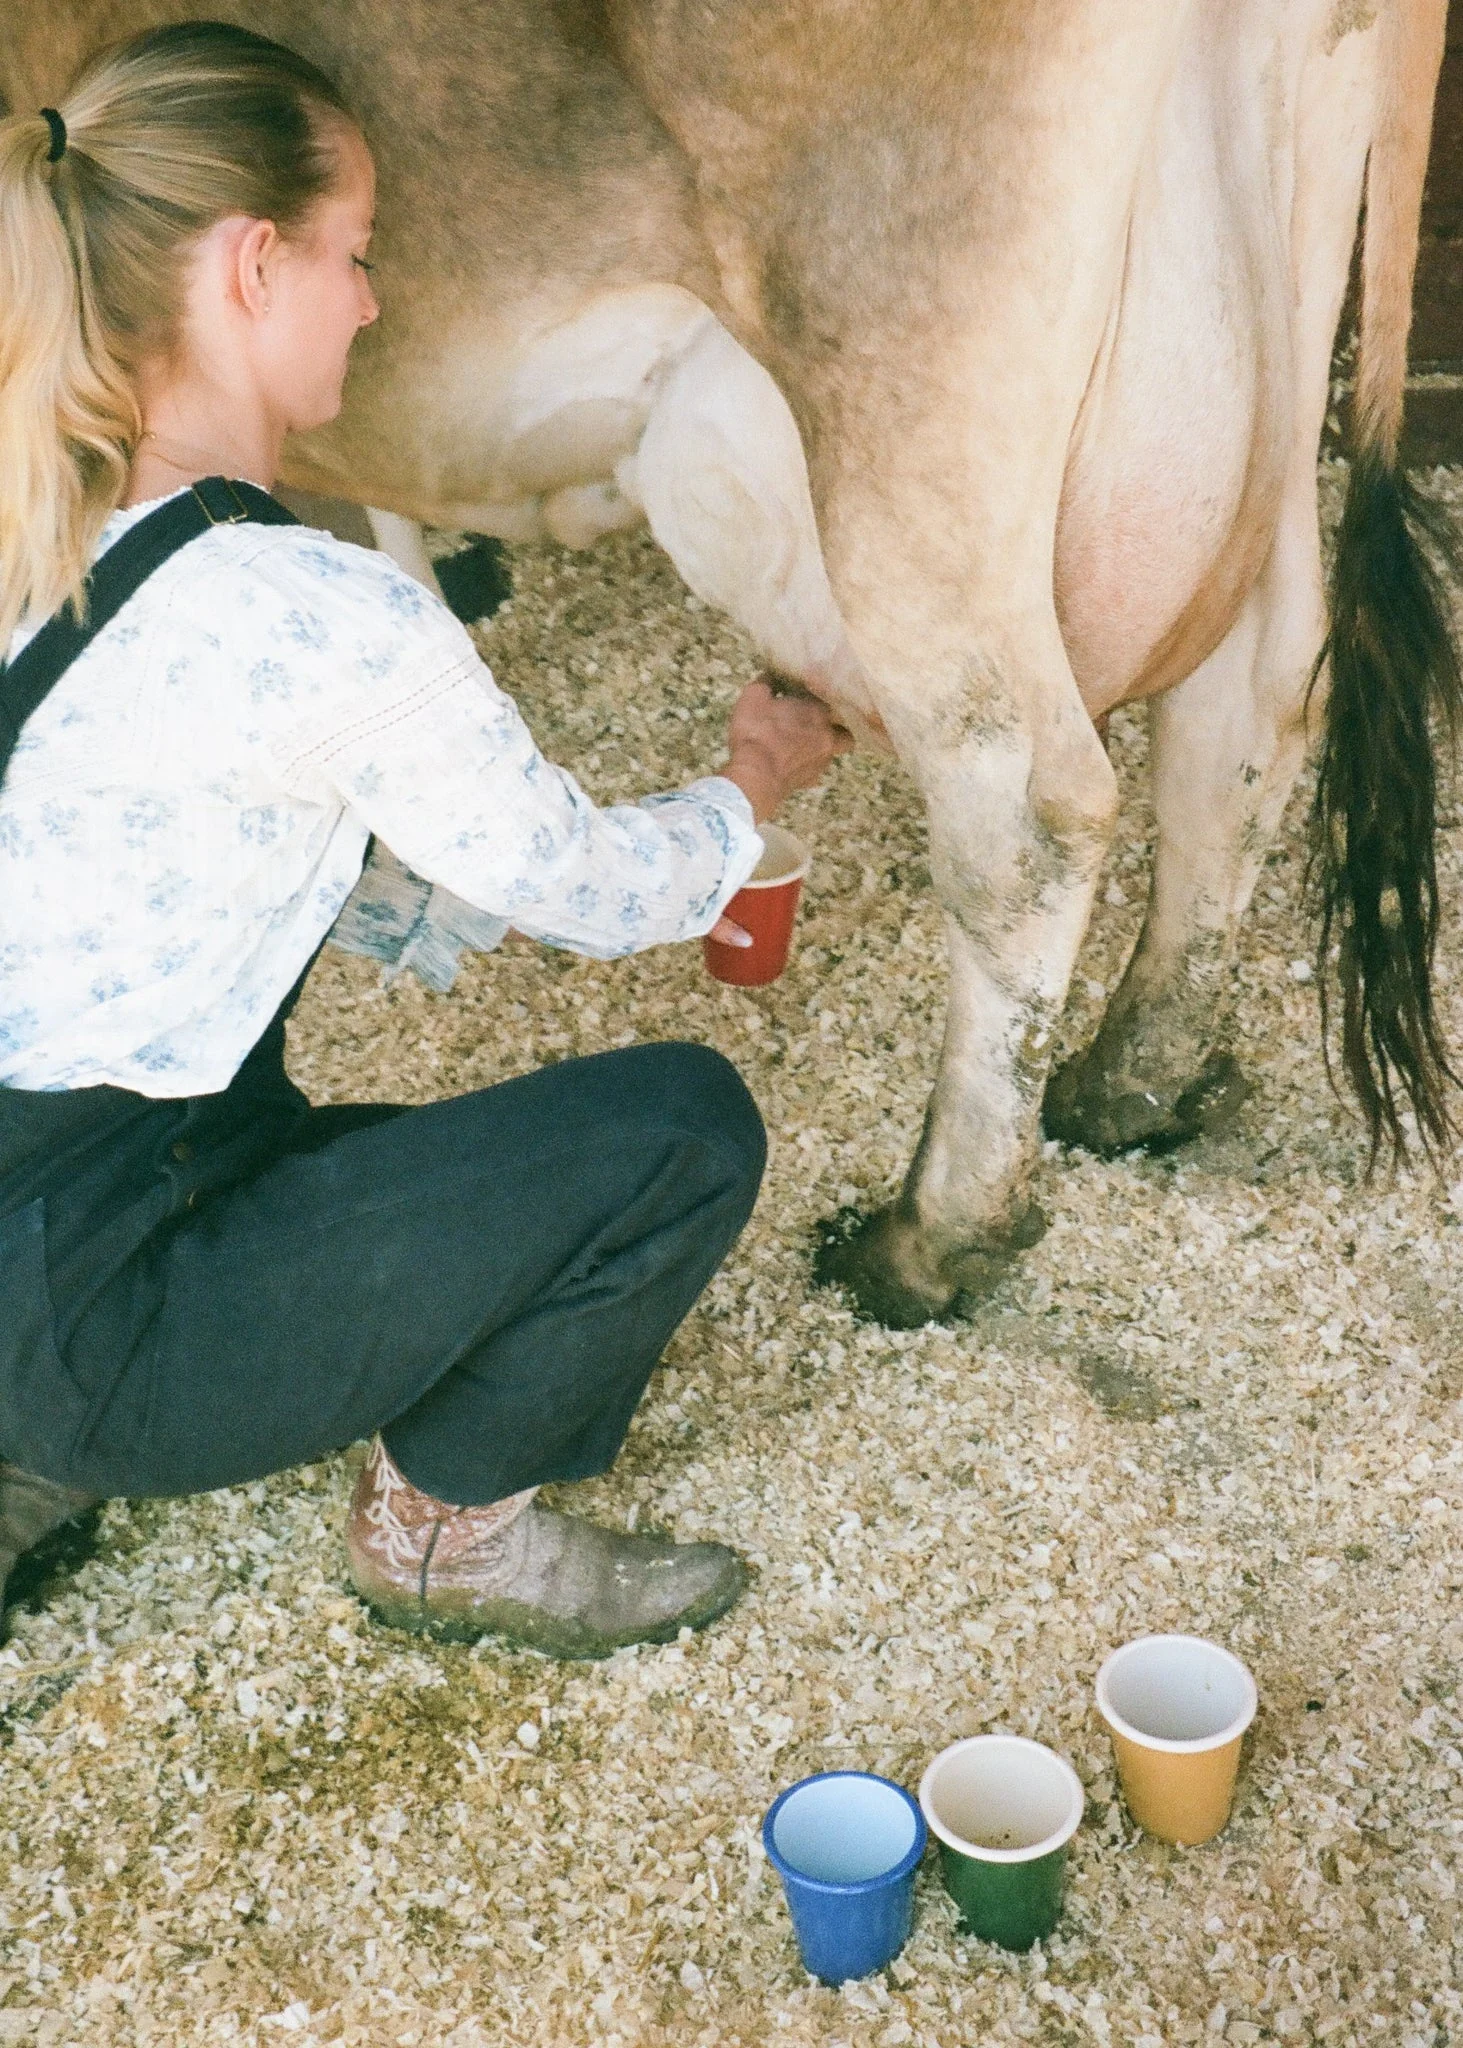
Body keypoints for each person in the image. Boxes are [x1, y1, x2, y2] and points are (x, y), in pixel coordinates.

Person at [0, 23, 850, 1658]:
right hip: (108, 1303)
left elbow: (141, 829)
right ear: (254, 266)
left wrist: (408, 894)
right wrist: (748, 793)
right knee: (674, 1129)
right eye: (357, 255)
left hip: (54, 1210)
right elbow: (597, 892)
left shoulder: (40, 524)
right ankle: (442, 1539)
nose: (374, 302)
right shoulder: (316, 608)